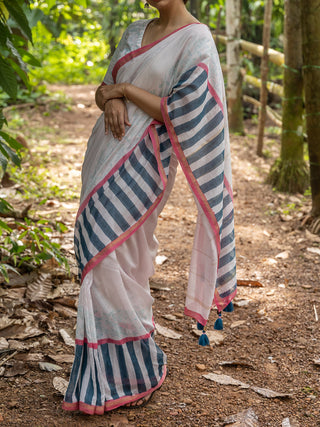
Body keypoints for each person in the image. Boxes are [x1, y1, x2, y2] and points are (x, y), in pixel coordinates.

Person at [62, 0, 237, 415]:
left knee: (120, 259)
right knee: (93, 254)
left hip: (145, 168)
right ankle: (103, 372)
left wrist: (125, 91)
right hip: (102, 157)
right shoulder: (134, 32)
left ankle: (133, 369)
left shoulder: (197, 41)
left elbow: (181, 111)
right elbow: (101, 89)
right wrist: (111, 97)